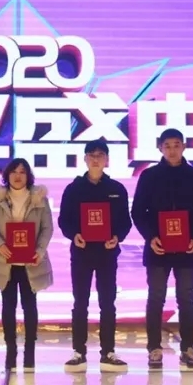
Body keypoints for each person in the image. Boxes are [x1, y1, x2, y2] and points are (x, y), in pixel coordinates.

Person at [132, 129, 193, 371]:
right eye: (167, 145)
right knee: (156, 297)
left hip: (188, 247)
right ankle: (154, 348)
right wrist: (151, 237)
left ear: (184, 147)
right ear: (160, 148)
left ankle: (188, 348)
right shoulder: (149, 176)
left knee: (186, 298)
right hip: (158, 248)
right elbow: (138, 211)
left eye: (177, 145)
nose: (172, 150)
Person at [58, 140, 132, 372]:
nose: (96, 159)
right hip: (81, 252)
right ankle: (78, 352)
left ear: (107, 159)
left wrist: (117, 237)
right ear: (85, 159)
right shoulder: (74, 189)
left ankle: (108, 352)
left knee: (107, 303)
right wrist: (74, 235)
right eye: (91, 154)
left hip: (107, 253)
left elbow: (125, 222)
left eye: (100, 154)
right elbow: (64, 220)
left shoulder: (117, 189)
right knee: (80, 302)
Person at [0, 158, 55, 371]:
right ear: (7, 175)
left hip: (31, 262)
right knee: (8, 307)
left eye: (22, 172)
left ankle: (30, 351)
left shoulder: (39, 198)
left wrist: (40, 250)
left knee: (30, 306)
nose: (18, 176)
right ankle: (10, 350)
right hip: (5, 262)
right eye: (14, 172)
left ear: (28, 176)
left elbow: (47, 228)